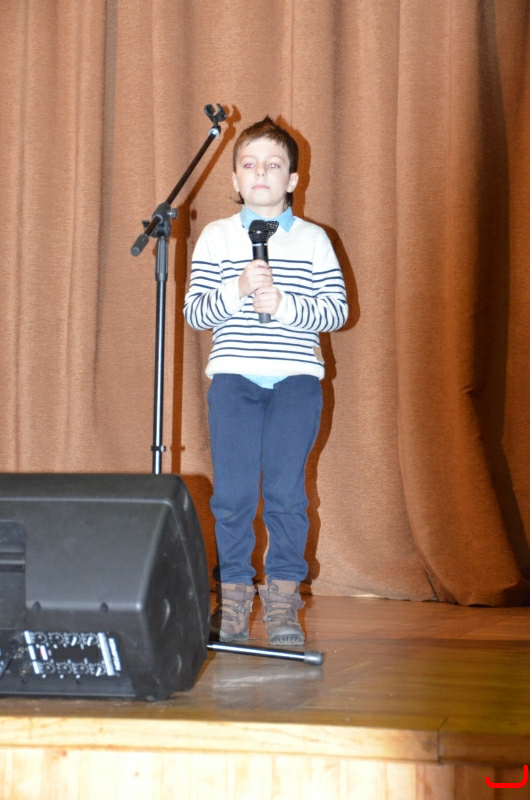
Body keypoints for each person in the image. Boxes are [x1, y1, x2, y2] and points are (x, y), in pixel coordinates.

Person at [184, 117, 348, 645]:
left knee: (285, 495)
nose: (261, 173)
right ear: (234, 178)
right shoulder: (216, 237)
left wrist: (286, 305)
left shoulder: (315, 240)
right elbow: (195, 312)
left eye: (274, 165)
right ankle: (233, 599)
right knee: (232, 496)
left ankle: (282, 604)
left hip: (296, 382)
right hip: (234, 381)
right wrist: (236, 289)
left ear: (292, 180)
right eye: (249, 164)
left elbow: (337, 311)